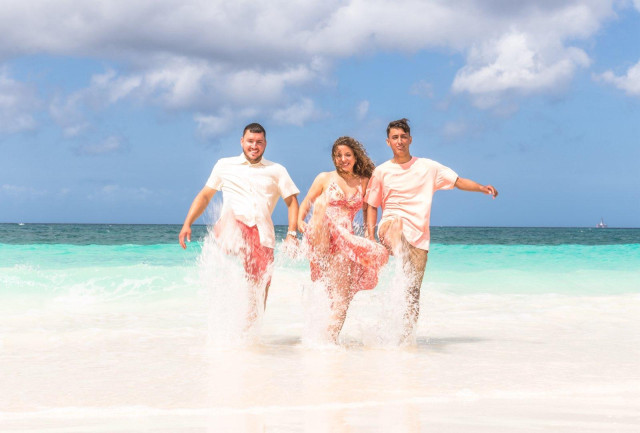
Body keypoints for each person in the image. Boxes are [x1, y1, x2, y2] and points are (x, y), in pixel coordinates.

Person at [365, 118, 498, 342]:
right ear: (388, 142)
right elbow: (371, 205)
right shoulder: (381, 171)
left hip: (419, 239)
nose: (400, 141)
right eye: (395, 137)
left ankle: (405, 340)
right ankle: (398, 247)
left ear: (410, 139)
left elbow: (457, 181)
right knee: (395, 225)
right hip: (390, 227)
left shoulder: (428, 167)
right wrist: (370, 238)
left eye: (403, 137)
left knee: (412, 293)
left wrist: (481, 188)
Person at [179, 122, 300, 326]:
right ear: (242, 142)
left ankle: (250, 334)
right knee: (232, 221)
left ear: (265, 144)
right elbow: (205, 195)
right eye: (250, 141)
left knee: (259, 290)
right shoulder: (224, 165)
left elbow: (292, 202)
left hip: (263, 235)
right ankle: (226, 294)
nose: (254, 146)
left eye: (259, 142)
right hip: (232, 226)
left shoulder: (277, 170)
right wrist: (187, 223)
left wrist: (292, 234)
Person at [298, 136, 389, 342]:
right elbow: (305, 204)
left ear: (355, 157)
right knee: (321, 208)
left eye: (347, 155)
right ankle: (320, 217)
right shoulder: (324, 178)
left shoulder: (364, 181)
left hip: (344, 240)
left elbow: (368, 210)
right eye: (338, 156)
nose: (343, 159)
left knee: (340, 297)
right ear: (333, 158)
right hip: (323, 231)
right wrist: (299, 223)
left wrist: (369, 236)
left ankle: (328, 340)